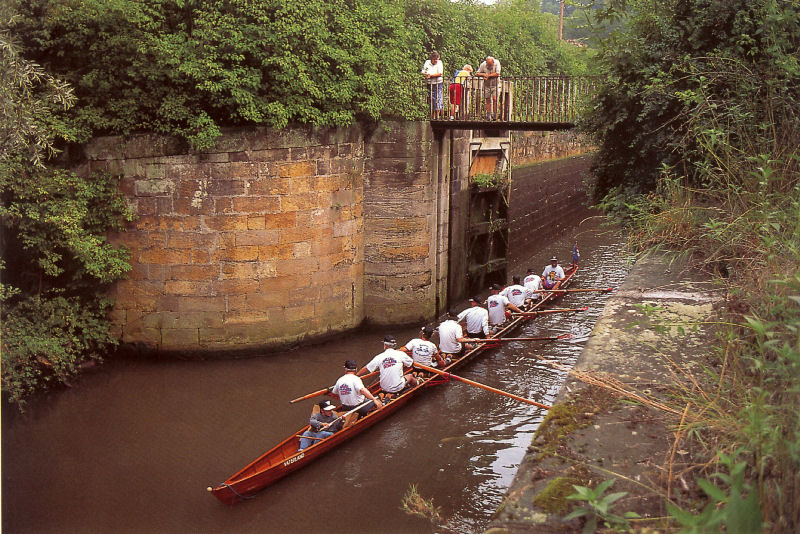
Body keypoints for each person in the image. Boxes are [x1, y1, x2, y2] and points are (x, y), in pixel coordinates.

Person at [476, 56, 501, 121]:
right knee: (488, 100)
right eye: (488, 65)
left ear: (493, 62)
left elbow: (497, 73)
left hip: (495, 85)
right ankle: (488, 115)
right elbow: (477, 73)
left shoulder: (497, 63)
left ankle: (495, 115)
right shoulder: (483, 64)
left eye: (490, 65)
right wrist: (484, 75)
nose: (489, 66)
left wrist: (488, 76)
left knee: (495, 99)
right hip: (487, 85)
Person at [421, 50, 444, 119]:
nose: (436, 61)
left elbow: (440, 73)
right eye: (434, 59)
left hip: (438, 83)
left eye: (437, 59)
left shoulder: (439, 63)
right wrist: (426, 74)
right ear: (431, 59)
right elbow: (423, 71)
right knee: (430, 99)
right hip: (429, 83)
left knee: (438, 99)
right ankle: (431, 116)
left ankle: (437, 116)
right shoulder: (427, 62)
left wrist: (430, 75)